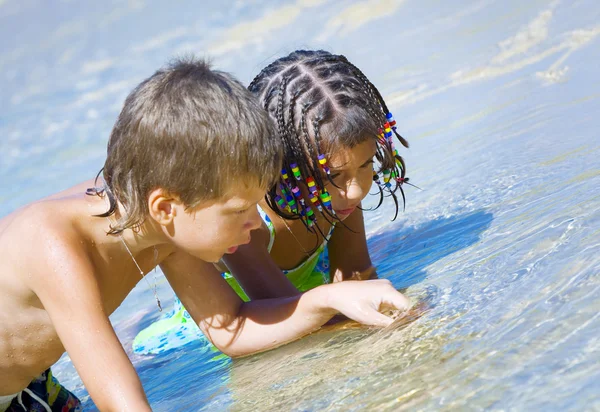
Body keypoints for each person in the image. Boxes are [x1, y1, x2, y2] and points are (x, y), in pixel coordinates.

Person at [0, 57, 410, 411]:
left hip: (29, 387)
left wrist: (328, 298)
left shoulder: (163, 221)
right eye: (239, 211)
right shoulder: (52, 243)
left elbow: (230, 328)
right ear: (165, 206)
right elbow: (120, 403)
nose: (254, 225)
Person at [133, 50, 413, 356]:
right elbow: (290, 315)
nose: (356, 190)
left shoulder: (337, 191)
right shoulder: (242, 220)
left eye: (366, 164)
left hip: (310, 294)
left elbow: (356, 275)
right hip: (241, 320)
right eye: (335, 174)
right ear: (282, 164)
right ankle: (136, 322)